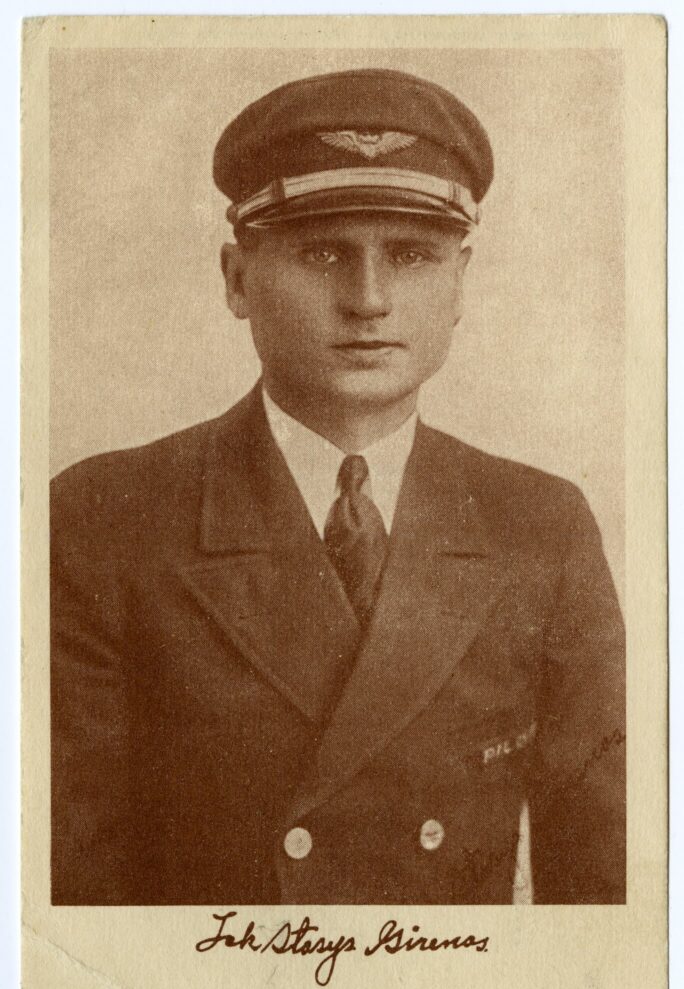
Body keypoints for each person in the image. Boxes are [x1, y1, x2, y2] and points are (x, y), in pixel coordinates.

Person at [50, 68, 625, 906]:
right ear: (237, 279)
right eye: (322, 253)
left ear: (460, 283)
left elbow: (605, 904)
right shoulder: (103, 520)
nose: (369, 300)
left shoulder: (540, 525)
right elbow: (72, 907)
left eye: (412, 256)